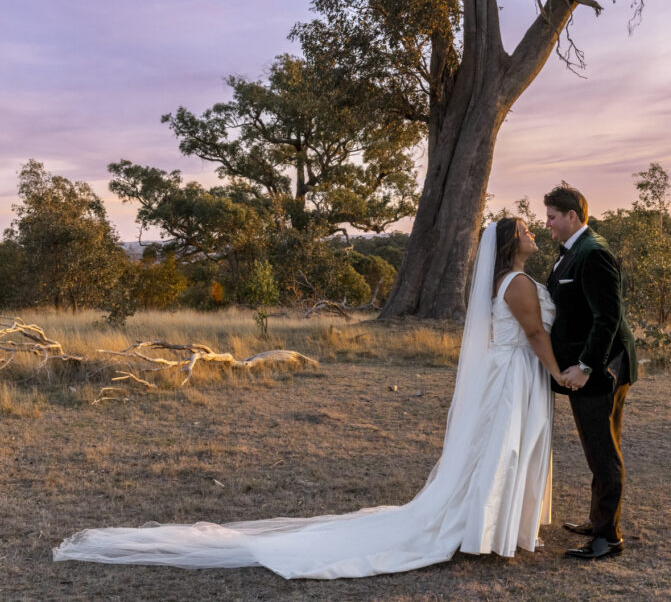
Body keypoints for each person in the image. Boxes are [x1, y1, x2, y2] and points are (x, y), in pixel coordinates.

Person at [53, 218, 563, 579]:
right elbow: (536, 336)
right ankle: (482, 529)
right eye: (525, 230)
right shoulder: (515, 282)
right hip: (516, 373)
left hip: (510, 375)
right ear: (509, 243)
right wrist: (564, 373)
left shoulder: (508, 278)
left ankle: (490, 526)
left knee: (496, 449)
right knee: (500, 448)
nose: (533, 234)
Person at [544, 183, 637, 561]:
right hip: (589, 370)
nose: (547, 223)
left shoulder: (594, 253)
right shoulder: (572, 251)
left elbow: (608, 319)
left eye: (552, 217)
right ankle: (598, 521)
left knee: (604, 452)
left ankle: (608, 538)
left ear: (572, 216)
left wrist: (585, 366)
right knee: (596, 449)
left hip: (602, 372)